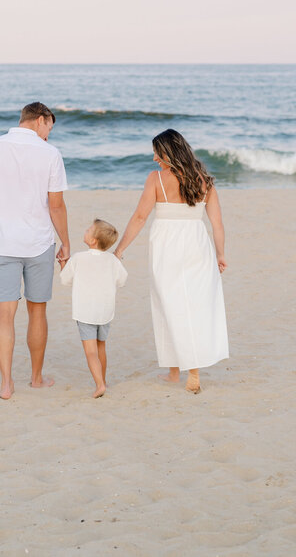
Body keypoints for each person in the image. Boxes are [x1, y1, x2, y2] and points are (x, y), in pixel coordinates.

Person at [113, 129, 228, 394]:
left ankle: (190, 372)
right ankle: (175, 371)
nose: (154, 159)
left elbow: (140, 217)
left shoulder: (156, 179)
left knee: (169, 304)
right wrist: (221, 254)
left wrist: (120, 250)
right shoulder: (205, 181)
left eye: (157, 152)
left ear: (169, 152)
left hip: (167, 246)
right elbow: (217, 224)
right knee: (194, 305)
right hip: (197, 244)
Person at [0, 102, 70, 400]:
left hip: (0, 241)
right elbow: (56, 205)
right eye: (49, 127)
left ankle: (6, 383)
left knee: (4, 313)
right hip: (38, 243)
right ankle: (36, 379)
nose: (49, 134)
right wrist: (66, 241)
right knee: (37, 311)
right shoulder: (50, 154)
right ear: (40, 120)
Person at [59, 219, 128, 398]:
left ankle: (99, 385)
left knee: (90, 351)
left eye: (89, 229)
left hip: (85, 311)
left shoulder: (78, 258)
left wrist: (62, 266)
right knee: (101, 347)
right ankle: (102, 380)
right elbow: (122, 280)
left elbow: (65, 280)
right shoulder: (112, 260)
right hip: (105, 311)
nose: (85, 230)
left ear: (93, 240)